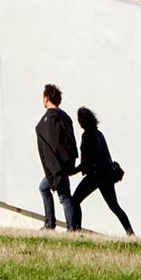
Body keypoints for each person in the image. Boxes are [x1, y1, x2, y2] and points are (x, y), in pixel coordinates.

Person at [72, 107, 134, 236]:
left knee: (75, 201)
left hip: (95, 176)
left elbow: (86, 162)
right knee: (114, 206)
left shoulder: (87, 135)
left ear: (82, 121)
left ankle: (76, 230)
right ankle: (130, 232)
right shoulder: (99, 134)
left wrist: (72, 171)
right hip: (107, 175)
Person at [35, 84, 79, 232]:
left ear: (46, 98)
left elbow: (54, 144)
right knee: (59, 193)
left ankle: (52, 224)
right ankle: (65, 226)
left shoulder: (50, 119)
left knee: (63, 196)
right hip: (64, 164)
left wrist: (56, 167)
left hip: (56, 167)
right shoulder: (64, 116)